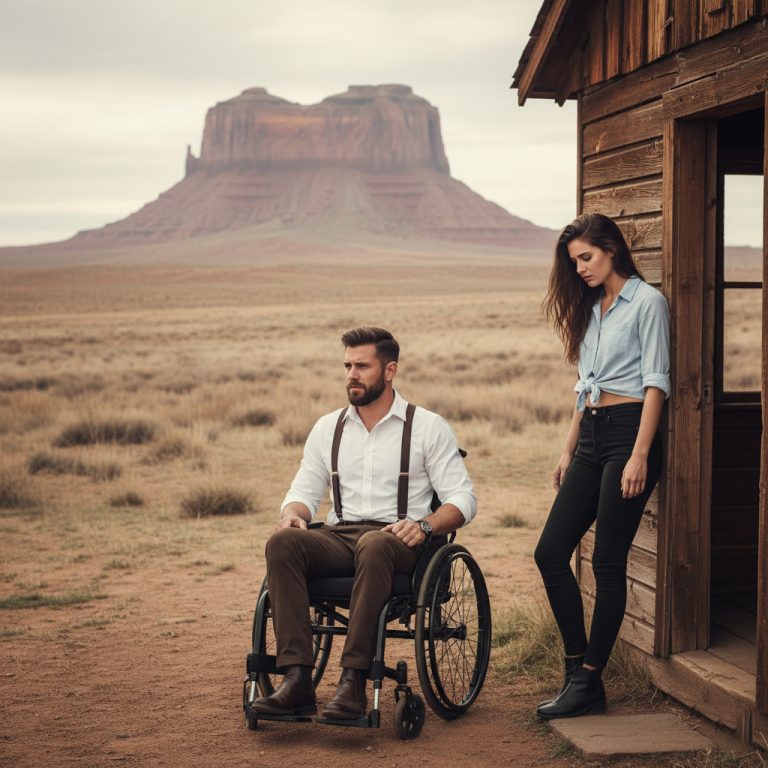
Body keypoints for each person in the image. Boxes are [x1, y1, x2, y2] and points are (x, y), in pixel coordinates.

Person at [250, 326, 476, 720]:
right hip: (340, 537)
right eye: (347, 366)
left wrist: (424, 526)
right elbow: (303, 490)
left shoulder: (427, 427)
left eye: (362, 366)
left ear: (389, 371)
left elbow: (463, 499)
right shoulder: (328, 428)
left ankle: (353, 680)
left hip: (400, 541)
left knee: (374, 543)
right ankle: (297, 679)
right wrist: (294, 515)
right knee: (282, 542)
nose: (352, 375)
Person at [534, 213, 670, 720]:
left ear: (612, 249)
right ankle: (577, 669)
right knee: (550, 553)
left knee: (607, 562)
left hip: (629, 434)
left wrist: (639, 454)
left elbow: (656, 383)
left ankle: (590, 680)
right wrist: (568, 449)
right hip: (591, 433)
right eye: (575, 262)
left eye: (587, 257)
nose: (581, 269)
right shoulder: (593, 308)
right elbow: (586, 388)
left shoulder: (647, 303)